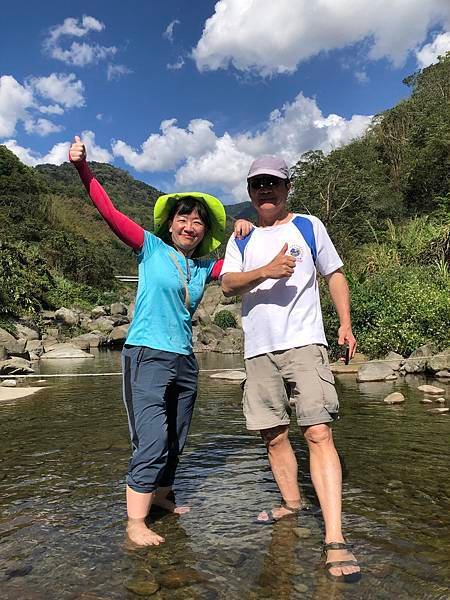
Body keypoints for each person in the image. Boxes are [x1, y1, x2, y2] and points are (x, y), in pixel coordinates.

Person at [69, 136, 252, 547]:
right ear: (170, 224)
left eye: (198, 221)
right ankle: (136, 521)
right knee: (151, 437)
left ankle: (163, 496)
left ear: (205, 231)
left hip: (185, 361)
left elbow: (239, 265)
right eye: (183, 219)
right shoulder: (149, 248)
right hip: (147, 355)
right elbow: (109, 211)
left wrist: (246, 229)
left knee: (177, 436)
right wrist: (83, 169)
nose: (190, 226)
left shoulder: (203, 266)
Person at [220, 155, 361, 583]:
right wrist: (265, 270)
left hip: (304, 343)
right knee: (273, 433)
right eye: (257, 184)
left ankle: (334, 537)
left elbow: (334, 275)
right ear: (249, 191)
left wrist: (345, 323)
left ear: (287, 188)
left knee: (318, 431)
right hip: (258, 350)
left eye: (273, 183)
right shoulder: (241, 238)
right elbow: (227, 285)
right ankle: (292, 504)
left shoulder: (309, 226)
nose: (265, 189)